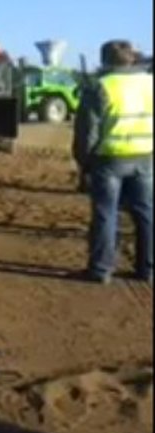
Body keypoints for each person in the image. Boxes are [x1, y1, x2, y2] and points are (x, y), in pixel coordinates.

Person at [72, 40, 153, 284]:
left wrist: (84, 162)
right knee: (146, 213)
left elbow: (88, 131)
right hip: (146, 156)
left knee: (106, 213)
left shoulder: (100, 87)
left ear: (105, 61)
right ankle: (148, 269)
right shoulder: (149, 83)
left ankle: (101, 269)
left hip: (109, 159)